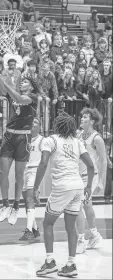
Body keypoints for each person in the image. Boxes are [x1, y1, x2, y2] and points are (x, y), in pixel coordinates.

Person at [0, 47, 38, 225]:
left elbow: (20, 99)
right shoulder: (13, 93)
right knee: (3, 172)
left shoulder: (33, 97)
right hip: (9, 136)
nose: (22, 83)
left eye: (25, 83)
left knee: (19, 176)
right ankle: (4, 205)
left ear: (32, 86)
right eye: (22, 82)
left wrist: (7, 85)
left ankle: (15, 206)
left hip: (23, 138)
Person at [33, 112, 95, 277]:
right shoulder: (77, 142)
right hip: (78, 186)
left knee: (47, 223)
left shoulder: (50, 140)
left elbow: (44, 162)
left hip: (62, 186)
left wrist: (35, 188)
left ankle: (49, 262)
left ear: (57, 125)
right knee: (70, 227)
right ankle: (71, 264)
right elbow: (90, 165)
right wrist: (89, 186)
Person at [76, 108, 107, 254]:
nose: (81, 119)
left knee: (78, 206)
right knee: (87, 206)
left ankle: (81, 240)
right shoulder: (78, 134)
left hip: (90, 177)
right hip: (78, 175)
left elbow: (103, 161)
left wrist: (101, 181)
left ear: (92, 121)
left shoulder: (97, 139)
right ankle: (95, 235)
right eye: (81, 117)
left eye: (85, 117)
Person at [20, 117, 43, 240]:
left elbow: (45, 159)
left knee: (29, 199)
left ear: (40, 127)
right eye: (31, 122)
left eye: (36, 122)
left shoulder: (42, 140)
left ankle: (29, 230)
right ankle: (34, 229)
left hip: (34, 170)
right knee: (26, 201)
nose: (33, 124)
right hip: (25, 170)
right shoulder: (25, 140)